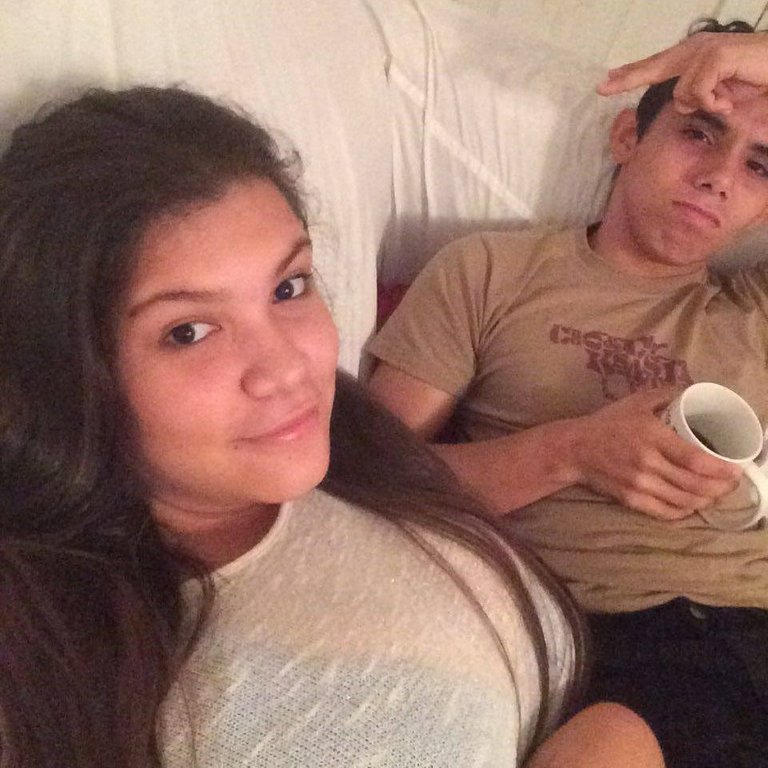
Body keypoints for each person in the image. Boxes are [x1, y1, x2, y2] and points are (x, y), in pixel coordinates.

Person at [0, 85, 666, 768]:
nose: (289, 366)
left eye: (288, 287)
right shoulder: (55, 665)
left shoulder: (352, 443)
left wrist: (613, 733)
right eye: (189, 331)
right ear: (61, 372)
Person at [367, 18, 768, 768]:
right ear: (627, 138)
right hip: (581, 635)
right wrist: (572, 452)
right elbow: (369, 476)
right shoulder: (490, 271)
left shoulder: (755, 312)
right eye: (698, 133)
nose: (719, 177)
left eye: (759, 165)